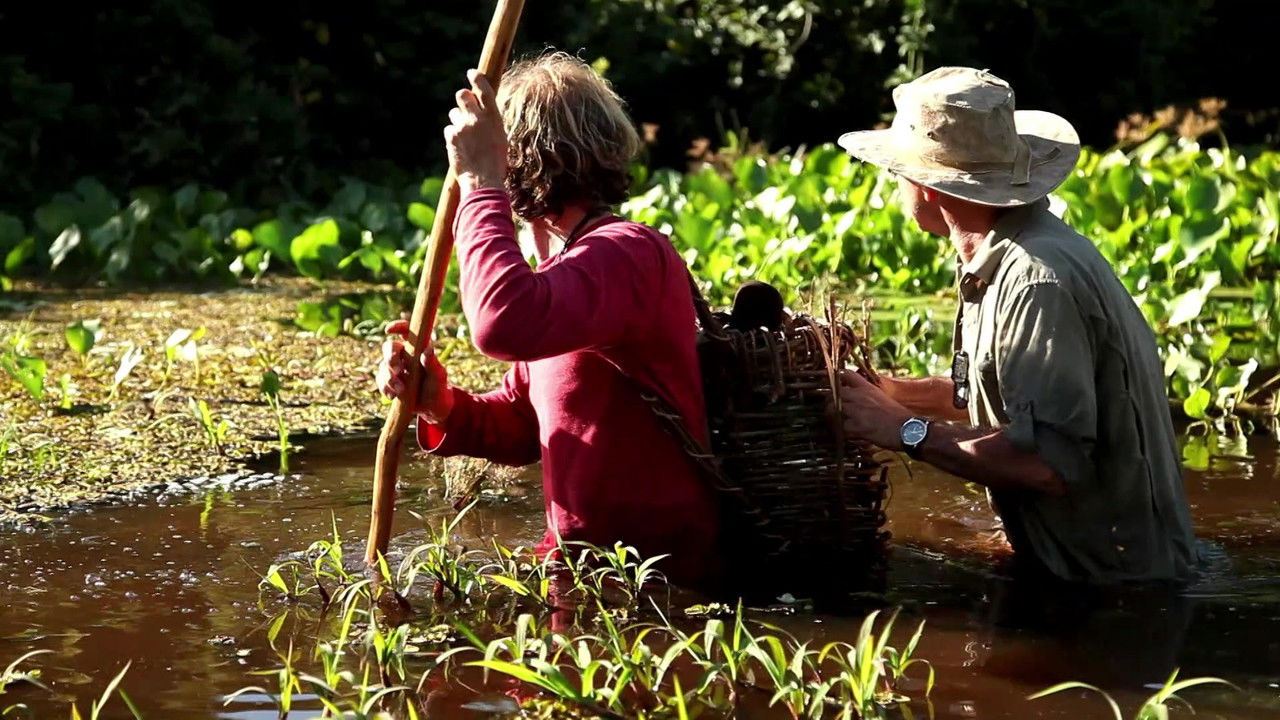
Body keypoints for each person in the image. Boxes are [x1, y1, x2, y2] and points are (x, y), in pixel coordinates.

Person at [833, 67, 1198, 583]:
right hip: (1081, 568)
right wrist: (887, 392)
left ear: (928, 188)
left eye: (898, 174)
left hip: (1113, 586)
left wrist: (902, 430)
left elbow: (1048, 465)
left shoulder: (1035, 281)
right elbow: (998, 395)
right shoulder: (1001, 250)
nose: (896, 185)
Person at [375, 53, 720, 587]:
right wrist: (438, 403)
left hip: (658, 584)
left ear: (522, 158)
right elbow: (523, 422)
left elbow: (500, 324)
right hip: (584, 573)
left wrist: (481, 183)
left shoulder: (625, 251)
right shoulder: (564, 274)